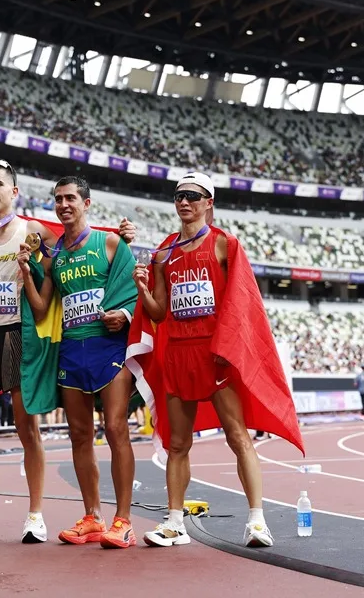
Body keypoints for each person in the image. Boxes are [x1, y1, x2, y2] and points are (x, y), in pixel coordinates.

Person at [0, 158, 136, 544]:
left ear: (15, 192)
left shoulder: (33, 230)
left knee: (29, 429)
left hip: (20, 335)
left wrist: (123, 234)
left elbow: (75, 241)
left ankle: (35, 515)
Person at [128, 172, 304, 548]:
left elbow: (242, 302)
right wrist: (143, 289)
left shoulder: (224, 245)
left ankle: (257, 521)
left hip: (214, 354)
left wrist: (227, 350)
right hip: (178, 354)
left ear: (209, 202)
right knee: (177, 445)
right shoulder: (164, 253)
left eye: (193, 195)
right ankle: (175, 523)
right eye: (178, 196)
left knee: (238, 437)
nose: (184, 202)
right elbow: (158, 314)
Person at [20, 176, 139, 549]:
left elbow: (135, 288)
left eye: (71, 197)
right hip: (72, 350)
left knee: (117, 428)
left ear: (86, 203)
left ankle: (124, 521)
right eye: (58, 199)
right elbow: (41, 309)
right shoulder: (56, 257)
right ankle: (92, 516)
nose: (64, 204)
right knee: (79, 435)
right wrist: (25, 272)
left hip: (108, 349)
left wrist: (123, 313)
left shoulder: (109, 242)